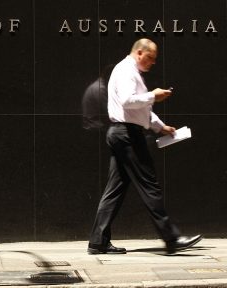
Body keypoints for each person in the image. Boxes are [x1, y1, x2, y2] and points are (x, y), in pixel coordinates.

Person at [87, 38, 202, 255]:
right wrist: (153, 95)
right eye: (151, 58)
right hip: (128, 134)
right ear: (140, 53)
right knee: (150, 186)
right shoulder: (126, 71)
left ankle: (98, 241)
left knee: (115, 190)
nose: (153, 63)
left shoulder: (132, 72)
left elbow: (140, 111)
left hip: (123, 133)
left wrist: (160, 127)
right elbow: (127, 101)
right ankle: (171, 238)